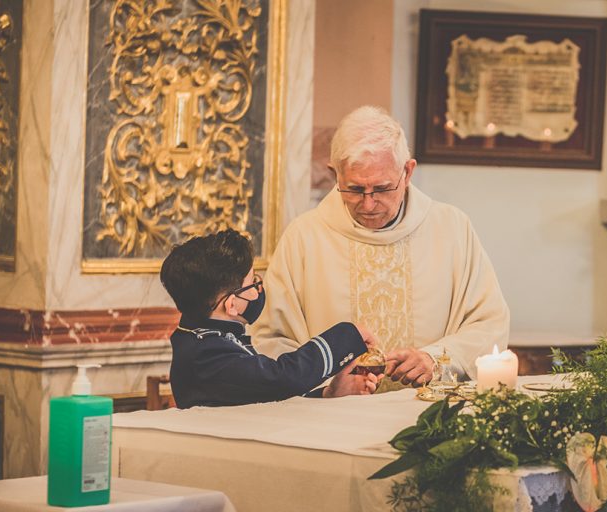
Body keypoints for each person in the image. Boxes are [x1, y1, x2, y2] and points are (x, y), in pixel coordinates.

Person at [251, 106, 509, 387]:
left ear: (407, 172)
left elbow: (488, 323)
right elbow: (270, 339)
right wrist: (328, 386)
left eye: (382, 188)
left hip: (425, 413)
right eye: (355, 189)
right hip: (333, 417)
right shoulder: (304, 237)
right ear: (334, 174)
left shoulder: (452, 229)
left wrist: (435, 359)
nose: (369, 204)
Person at [160, 229, 380, 408]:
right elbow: (283, 378)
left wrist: (328, 394)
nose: (259, 290)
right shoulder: (206, 353)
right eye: (253, 283)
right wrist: (348, 335)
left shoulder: (203, 337)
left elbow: (259, 403)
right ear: (232, 305)